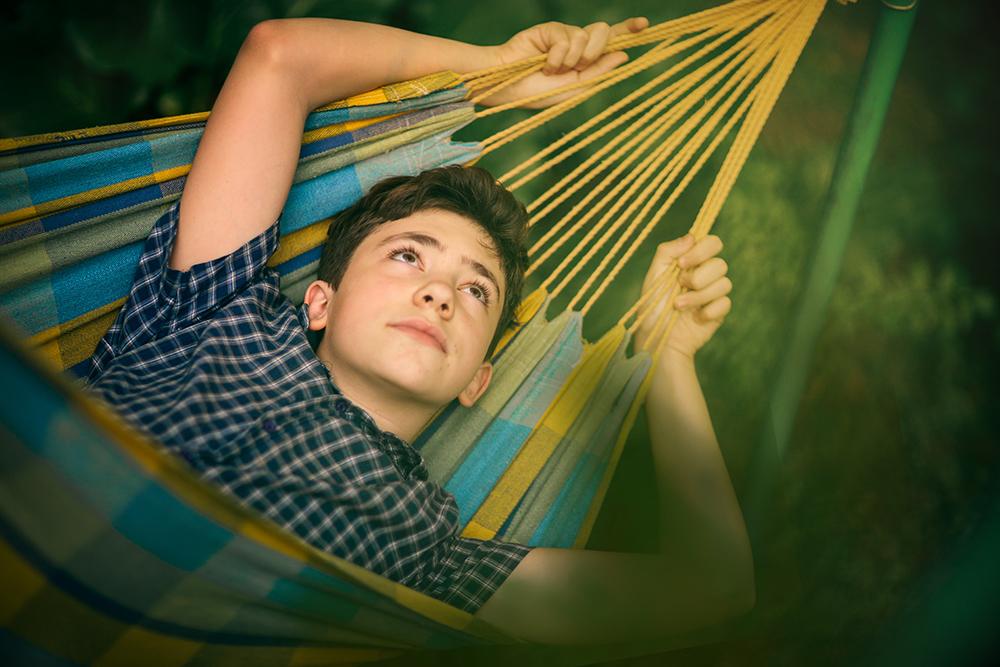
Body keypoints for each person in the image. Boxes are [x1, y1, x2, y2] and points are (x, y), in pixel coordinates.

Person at [84, 15, 753, 645]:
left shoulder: (428, 552)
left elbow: (712, 587)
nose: (439, 292)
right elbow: (278, 57)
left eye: (476, 290)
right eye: (409, 254)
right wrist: (493, 71)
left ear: (477, 380)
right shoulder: (215, 307)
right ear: (319, 301)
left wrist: (670, 358)